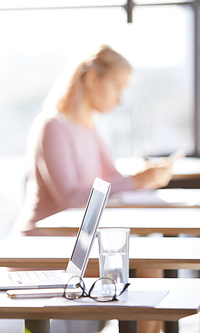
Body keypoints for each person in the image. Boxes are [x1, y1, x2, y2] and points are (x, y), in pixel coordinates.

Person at [14, 45, 173, 237]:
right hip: (40, 244)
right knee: (144, 259)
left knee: (147, 257)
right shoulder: (52, 126)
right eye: (117, 88)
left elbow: (114, 179)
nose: (119, 100)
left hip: (76, 240)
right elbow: (70, 199)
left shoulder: (89, 128)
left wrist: (147, 180)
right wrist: (136, 180)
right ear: (92, 79)